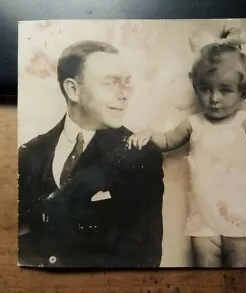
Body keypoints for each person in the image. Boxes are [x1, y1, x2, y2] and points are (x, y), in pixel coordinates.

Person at [127, 28, 246, 268]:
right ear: (196, 87)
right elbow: (168, 141)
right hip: (203, 219)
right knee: (206, 278)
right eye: (205, 88)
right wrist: (149, 134)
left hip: (239, 218)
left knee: (238, 277)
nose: (214, 98)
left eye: (225, 90)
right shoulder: (194, 123)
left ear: (243, 92)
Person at [18, 40, 165, 268]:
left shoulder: (140, 155)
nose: (125, 94)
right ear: (73, 90)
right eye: (111, 83)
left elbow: (143, 258)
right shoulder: (30, 152)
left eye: (126, 82)